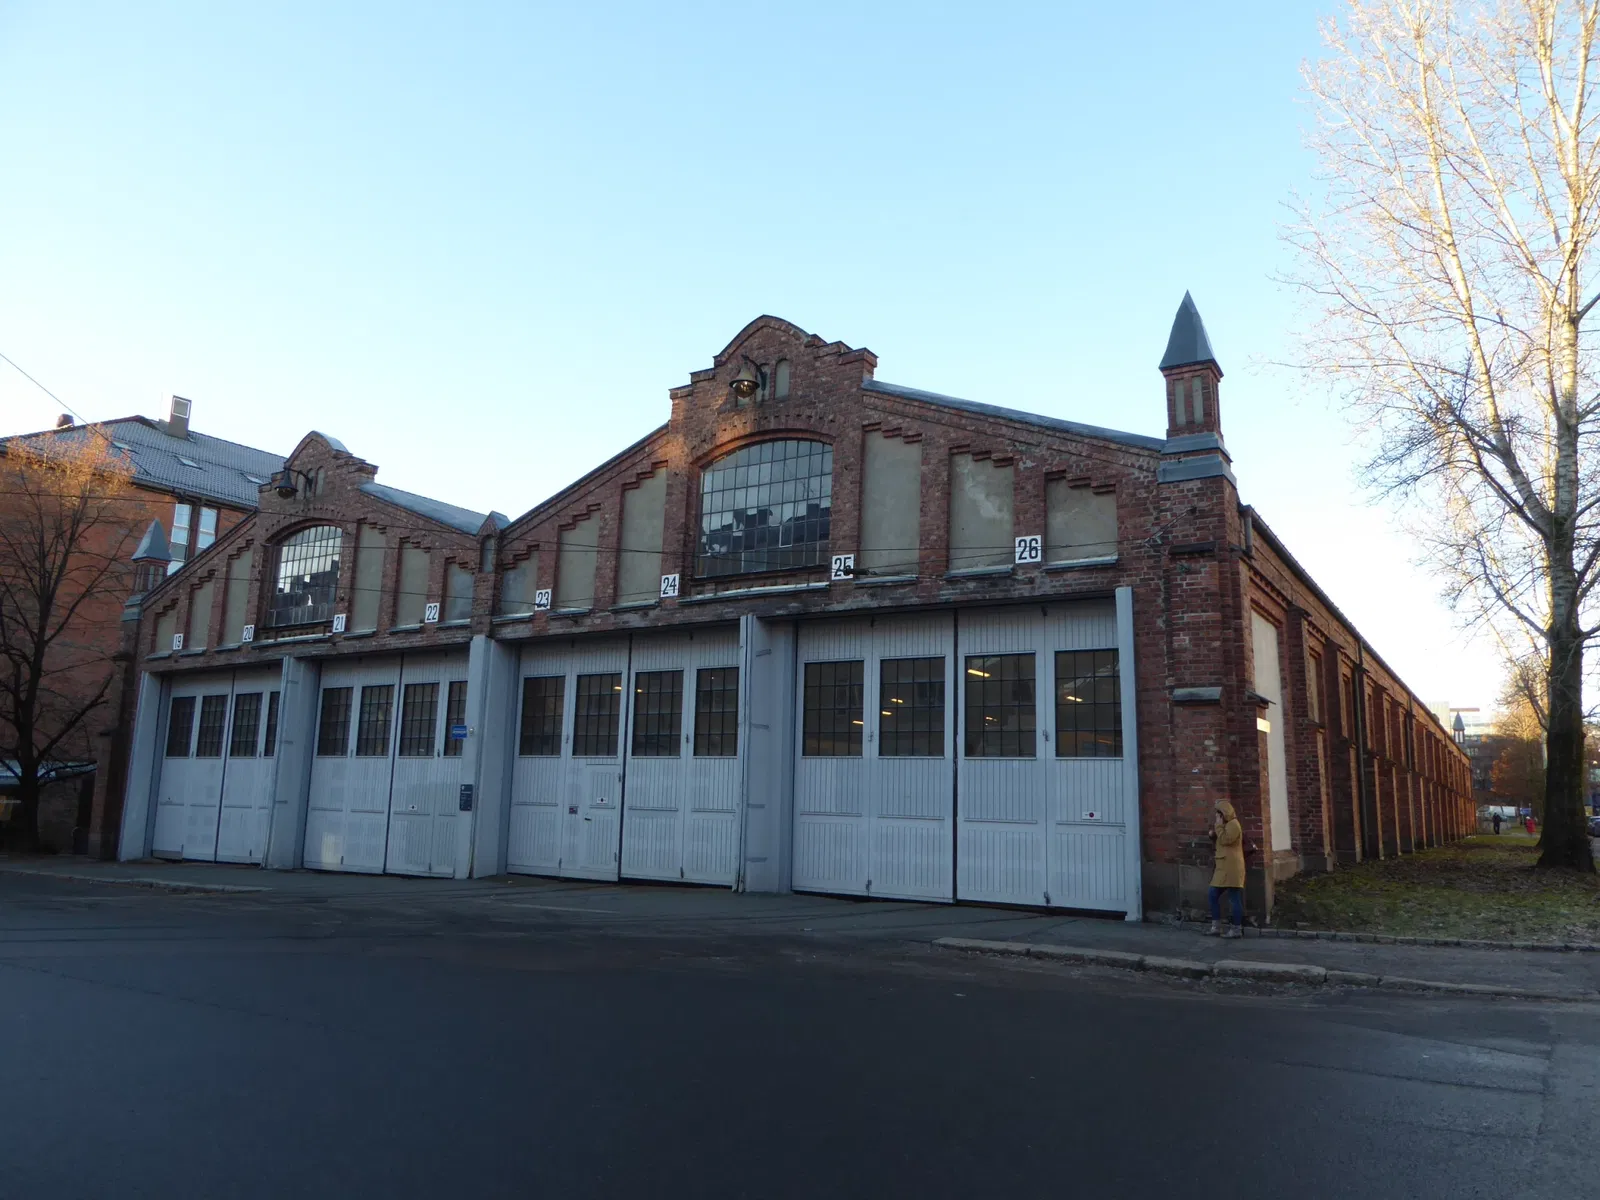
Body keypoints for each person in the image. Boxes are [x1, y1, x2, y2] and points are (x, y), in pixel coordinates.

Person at [1206, 800, 1246, 939]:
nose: (1216, 816)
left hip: (1232, 867)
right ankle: (1216, 926)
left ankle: (1236, 929)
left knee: (1234, 898)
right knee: (1212, 894)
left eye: (1218, 813)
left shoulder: (1234, 824)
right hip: (1223, 867)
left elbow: (1226, 840)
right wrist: (1213, 834)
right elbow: (1220, 840)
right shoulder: (1225, 825)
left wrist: (1218, 826)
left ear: (1224, 813)